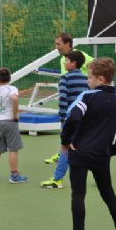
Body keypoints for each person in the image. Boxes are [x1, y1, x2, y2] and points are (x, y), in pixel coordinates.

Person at [57, 57, 116, 230]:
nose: (87, 80)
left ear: (100, 79)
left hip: (80, 153)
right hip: (102, 156)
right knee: (108, 194)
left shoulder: (87, 97)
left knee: (78, 195)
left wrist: (66, 140)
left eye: (89, 76)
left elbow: (73, 117)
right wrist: (113, 150)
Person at [41, 51, 88, 189]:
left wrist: (63, 119)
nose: (64, 62)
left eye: (66, 60)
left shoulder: (65, 78)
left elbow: (63, 100)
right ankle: (97, 176)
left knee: (65, 148)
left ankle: (57, 179)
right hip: (83, 120)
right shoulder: (86, 79)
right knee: (82, 148)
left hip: (69, 120)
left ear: (73, 63)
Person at [45, 32, 94, 164]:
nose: (56, 47)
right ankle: (64, 154)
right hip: (71, 99)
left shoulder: (79, 55)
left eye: (58, 44)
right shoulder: (64, 59)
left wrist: (85, 79)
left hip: (77, 102)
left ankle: (66, 157)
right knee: (71, 136)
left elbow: (95, 64)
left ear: (67, 44)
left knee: (73, 135)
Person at [0, 68, 28, 184]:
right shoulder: (12, 88)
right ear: (9, 78)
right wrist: (15, 114)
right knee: (13, 148)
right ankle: (14, 175)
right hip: (10, 122)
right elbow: (15, 98)